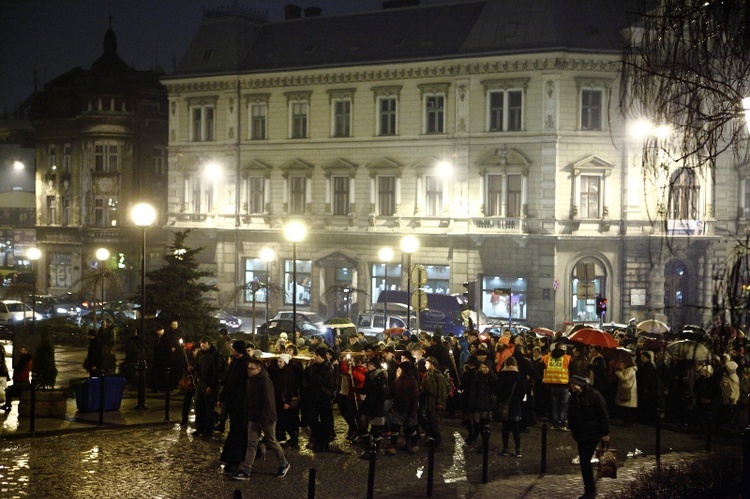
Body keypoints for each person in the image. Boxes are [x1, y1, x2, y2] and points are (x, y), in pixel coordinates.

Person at [231, 357, 291, 481]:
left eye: (252, 368)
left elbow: (268, 403)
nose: (249, 370)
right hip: (253, 417)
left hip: (266, 418)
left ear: (259, 369)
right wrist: (247, 416)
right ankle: (246, 469)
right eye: (248, 368)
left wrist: (263, 420)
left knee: (272, 441)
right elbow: (248, 400)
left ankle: (283, 463)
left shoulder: (265, 382)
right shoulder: (250, 381)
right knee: (251, 443)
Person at [568, 374, 610, 499]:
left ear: (580, 384)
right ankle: (589, 489)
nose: (572, 386)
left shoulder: (594, 395)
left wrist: (605, 433)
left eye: (574, 384)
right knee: (584, 462)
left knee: (585, 461)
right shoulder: (574, 397)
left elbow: (603, 414)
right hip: (580, 434)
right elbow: (571, 414)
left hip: (592, 433)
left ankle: (590, 490)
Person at [219, 340, 251, 473]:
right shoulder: (234, 363)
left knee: (238, 430)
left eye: (233, 348)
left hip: (242, 403)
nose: (231, 350)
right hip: (233, 402)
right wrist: (222, 397)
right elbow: (228, 381)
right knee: (236, 429)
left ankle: (235, 459)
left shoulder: (247, 364)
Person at [304, 346, 336, 452]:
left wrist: (311, 371)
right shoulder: (314, 366)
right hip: (313, 396)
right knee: (311, 418)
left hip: (324, 397)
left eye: (316, 355)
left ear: (320, 356)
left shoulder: (328, 367)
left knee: (325, 420)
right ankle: (318, 437)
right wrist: (308, 368)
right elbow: (307, 378)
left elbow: (318, 380)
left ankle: (323, 442)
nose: (314, 357)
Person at [192, 336, 224, 437]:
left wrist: (211, 385)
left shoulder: (215, 355)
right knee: (198, 405)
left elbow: (217, 372)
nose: (202, 345)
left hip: (210, 383)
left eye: (204, 343)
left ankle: (208, 428)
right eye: (201, 343)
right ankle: (199, 427)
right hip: (201, 382)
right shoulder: (200, 354)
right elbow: (198, 366)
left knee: (208, 407)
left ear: (209, 343)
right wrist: (193, 369)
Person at [497, 356, 526, 457]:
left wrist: (501, 401)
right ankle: (518, 450)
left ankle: (505, 449)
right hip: (515, 404)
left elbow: (498, 390)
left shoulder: (501, 375)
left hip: (505, 404)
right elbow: (523, 391)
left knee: (505, 428)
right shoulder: (519, 376)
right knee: (516, 429)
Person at [420, 356, 450, 449]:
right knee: (429, 420)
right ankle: (431, 438)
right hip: (428, 400)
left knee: (434, 421)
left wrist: (440, 402)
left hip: (434, 401)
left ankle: (437, 439)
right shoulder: (427, 374)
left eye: (427, 363)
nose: (425, 365)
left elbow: (442, 390)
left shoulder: (438, 375)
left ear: (432, 365)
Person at [541, 342, 572, 429]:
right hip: (564, 385)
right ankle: (562, 423)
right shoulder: (567, 358)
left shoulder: (547, 357)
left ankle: (554, 423)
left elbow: (540, 368)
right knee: (564, 405)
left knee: (554, 405)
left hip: (552, 385)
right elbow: (573, 370)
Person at [4, 344, 32, 411]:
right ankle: (8, 405)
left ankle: (8, 405)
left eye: (22, 350)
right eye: (20, 350)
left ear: (26, 351)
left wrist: (15, 367)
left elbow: (19, 368)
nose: (20, 351)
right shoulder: (25, 358)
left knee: (8, 391)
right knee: (15, 393)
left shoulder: (24, 359)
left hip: (22, 382)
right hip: (23, 381)